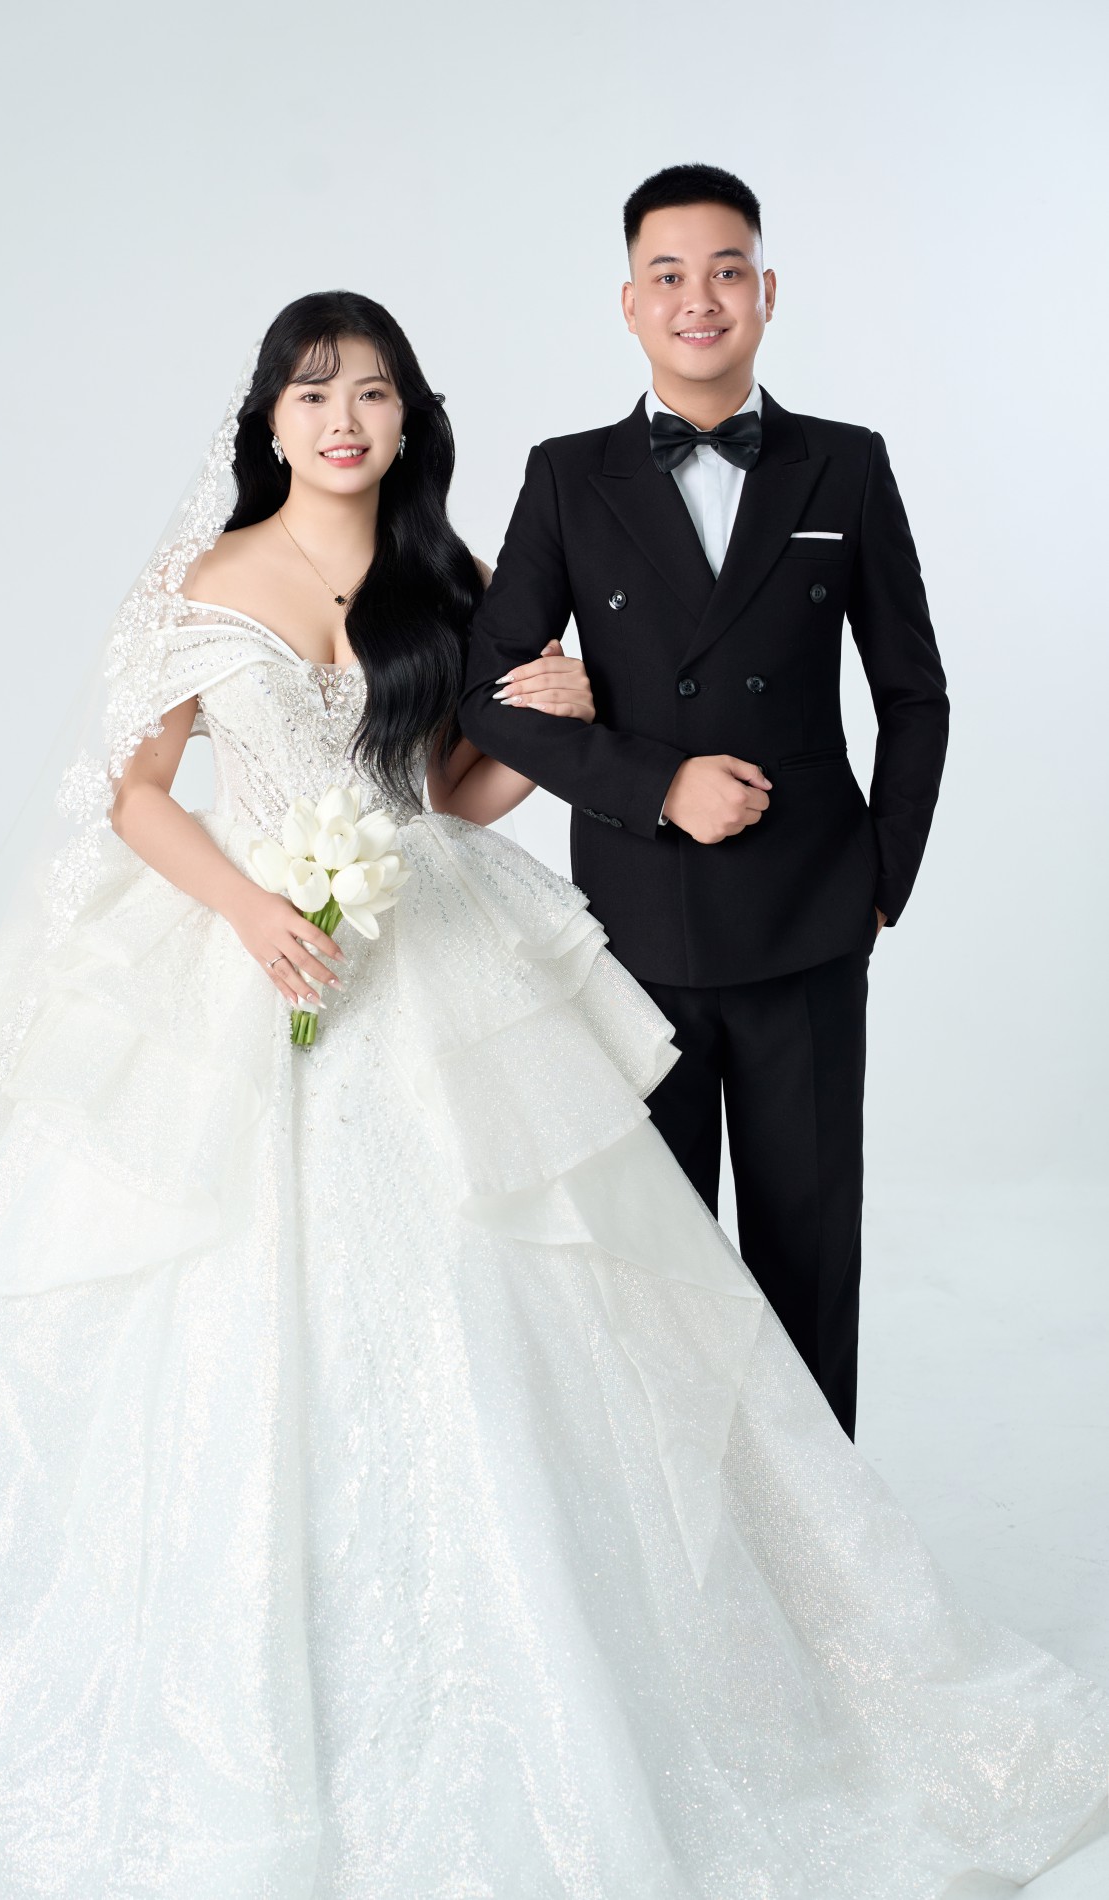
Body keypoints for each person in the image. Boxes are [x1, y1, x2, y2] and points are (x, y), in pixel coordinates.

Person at [0, 292, 1103, 1898]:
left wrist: (538, 726)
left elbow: (444, 792)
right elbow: (135, 794)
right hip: (247, 949)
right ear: (269, 419)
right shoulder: (204, 579)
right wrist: (248, 911)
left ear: (407, 421)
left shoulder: (441, 577)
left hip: (425, 947)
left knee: (514, 1297)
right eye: (313, 394)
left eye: (372, 394)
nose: (342, 421)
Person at [461, 162, 950, 1439]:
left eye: (725, 271)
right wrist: (656, 783)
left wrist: (881, 879)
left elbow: (913, 693)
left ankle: (825, 1546)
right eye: (668, 275)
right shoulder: (567, 475)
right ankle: (688, 1550)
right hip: (636, 932)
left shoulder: (845, 466)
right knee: (657, 1274)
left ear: (766, 292)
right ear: (629, 303)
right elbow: (486, 696)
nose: (699, 299)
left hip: (809, 925)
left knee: (807, 1258)